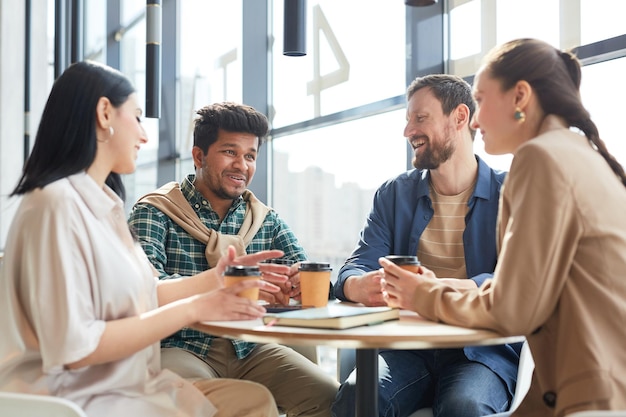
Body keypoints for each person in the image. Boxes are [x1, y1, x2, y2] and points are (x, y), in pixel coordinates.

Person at [0, 61, 287, 417]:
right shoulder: (54, 204)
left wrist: (217, 280)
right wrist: (196, 308)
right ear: (105, 113)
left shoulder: (103, 206)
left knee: (255, 402)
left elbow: (145, 294)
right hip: (77, 399)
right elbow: (75, 346)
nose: (144, 135)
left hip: (124, 386)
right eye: (136, 117)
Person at [380, 38, 626, 417]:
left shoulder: (539, 158)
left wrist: (423, 294)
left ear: (520, 97)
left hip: (588, 397)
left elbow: (511, 309)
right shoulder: (583, 157)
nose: (475, 122)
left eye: (481, 99)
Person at [128, 101, 339, 417]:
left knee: (332, 398)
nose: (242, 165)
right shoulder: (155, 212)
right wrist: (219, 287)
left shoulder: (265, 220)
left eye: (250, 156)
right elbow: (141, 290)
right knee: (246, 404)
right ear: (199, 156)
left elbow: (312, 282)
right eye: (230, 152)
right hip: (178, 345)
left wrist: (295, 286)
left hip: (249, 346)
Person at [332, 74, 521, 417]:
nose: (408, 132)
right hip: (407, 347)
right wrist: (359, 285)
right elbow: (356, 265)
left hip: (479, 349)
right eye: (408, 120)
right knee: (357, 396)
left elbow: (516, 283)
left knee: (464, 406)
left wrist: (435, 289)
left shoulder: (510, 192)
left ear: (460, 117)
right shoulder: (393, 194)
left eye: (420, 118)